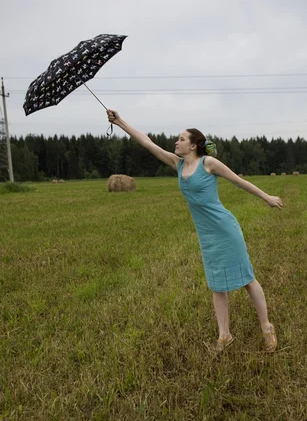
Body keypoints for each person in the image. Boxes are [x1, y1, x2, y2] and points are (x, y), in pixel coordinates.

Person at [107, 110, 283, 353]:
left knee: (247, 280)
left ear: (193, 145)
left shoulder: (208, 163)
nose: (176, 142)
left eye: (181, 139)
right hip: (207, 235)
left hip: (225, 229)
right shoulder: (177, 164)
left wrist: (267, 197)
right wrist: (120, 122)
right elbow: (147, 142)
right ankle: (224, 336)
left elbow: (238, 181)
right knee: (216, 285)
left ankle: (267, 327)